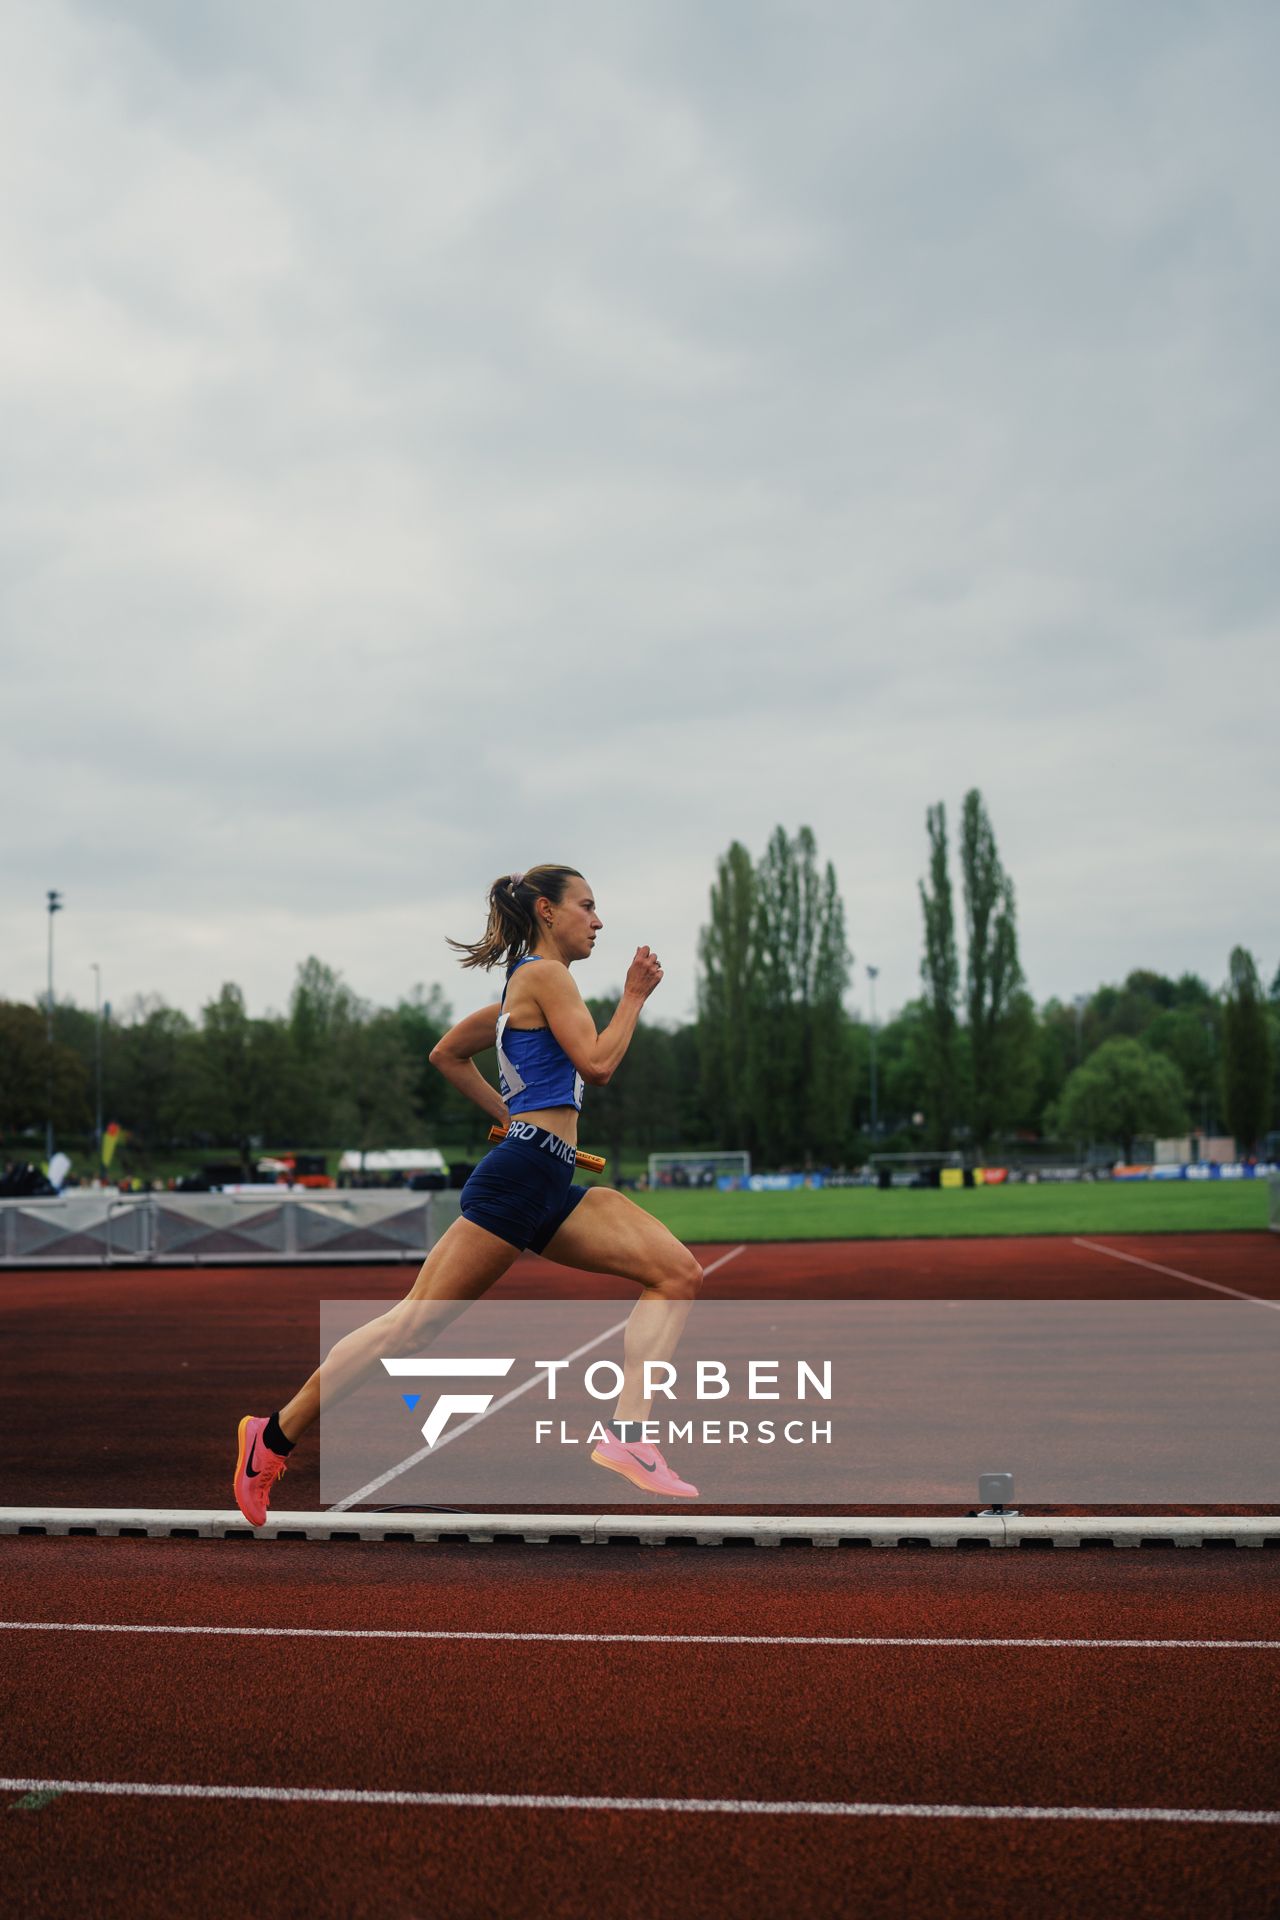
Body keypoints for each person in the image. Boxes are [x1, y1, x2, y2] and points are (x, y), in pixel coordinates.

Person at [233, 864, 704, 1525]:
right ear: (546, 911)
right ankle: (271, 1437)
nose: (598, 921)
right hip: (521, 1177)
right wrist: (633, 997)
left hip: (548, 1177)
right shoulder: (547, 977)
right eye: (587, 906)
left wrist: (512, 1115)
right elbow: (598, 1065)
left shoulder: (522, 990)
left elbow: (447, 1054)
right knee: (412, 1327)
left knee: (677, 1273)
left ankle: (627, 1435)